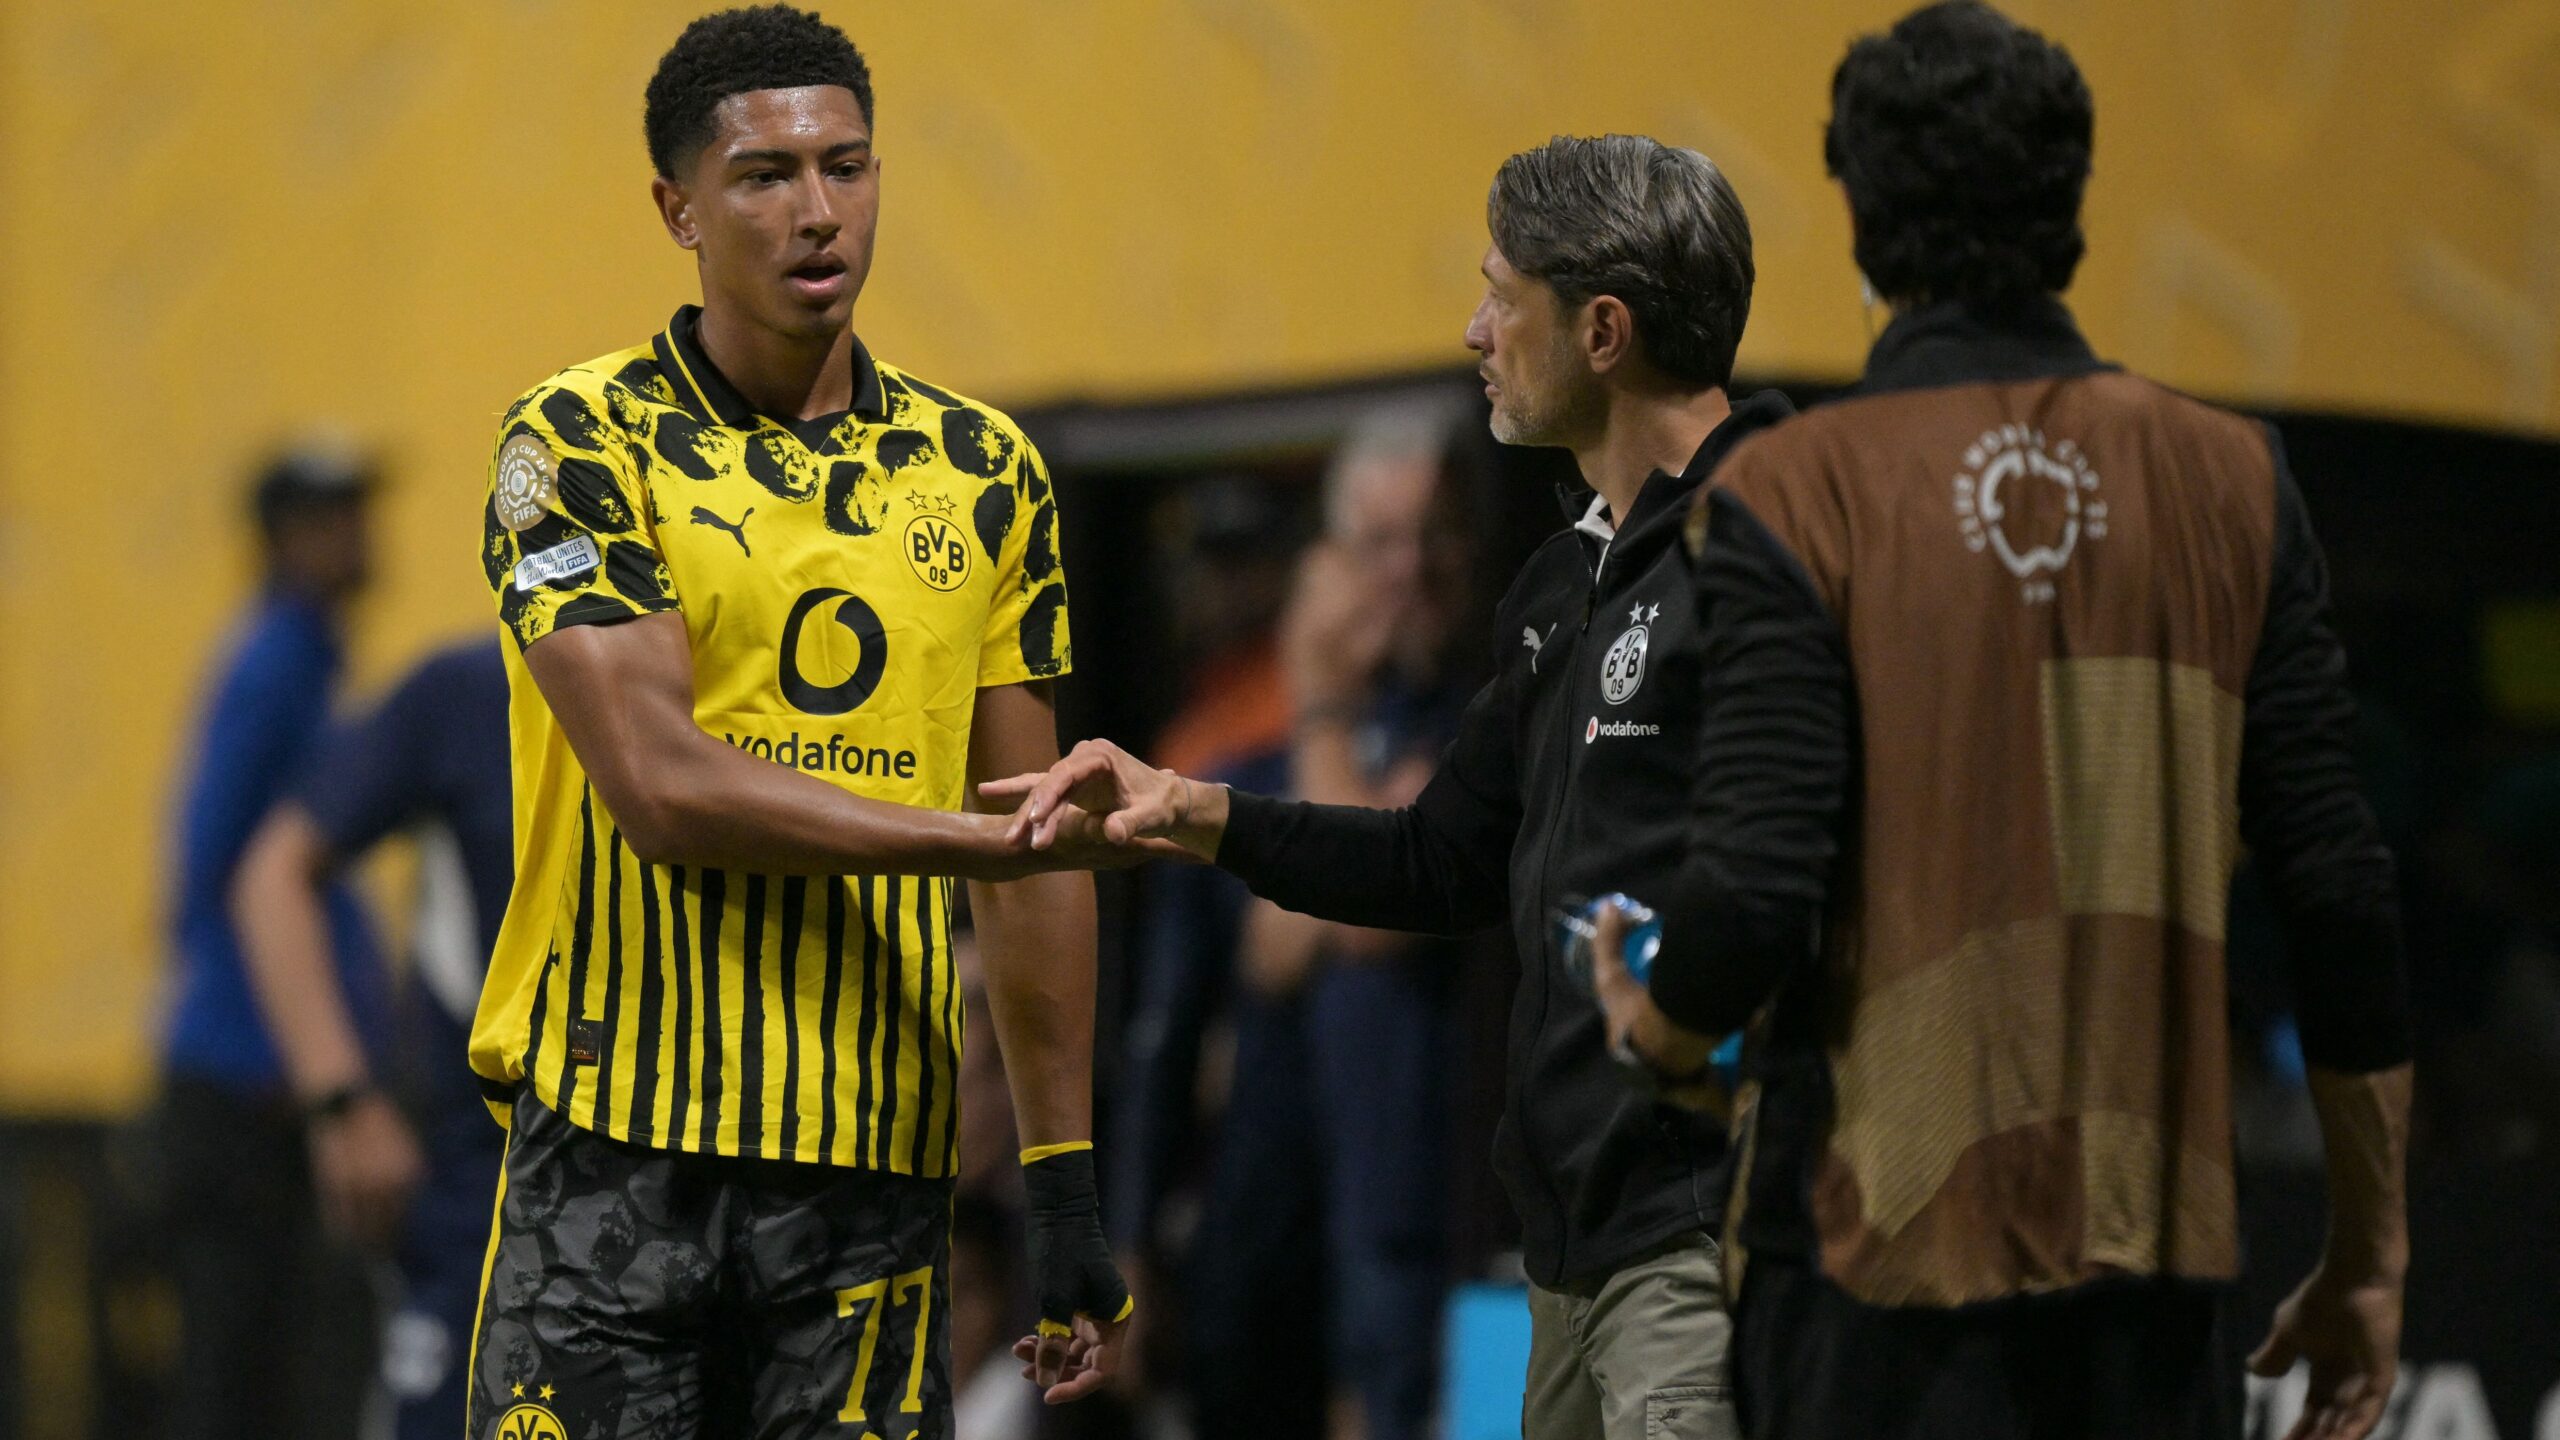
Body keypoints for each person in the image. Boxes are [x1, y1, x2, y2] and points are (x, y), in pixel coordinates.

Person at [1575, 7, 2414, 1439]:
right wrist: (2369, 1254)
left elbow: (1757, 887)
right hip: (2149, 1286)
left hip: (1870, 1285)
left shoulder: (1795, 492)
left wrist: (1658, 1029)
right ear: (2071, 209)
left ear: (1859, 221)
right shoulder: (2234, 480)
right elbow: (2335, 885)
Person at [991, 134, 1791, 1440]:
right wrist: (1191, 810)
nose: (1476, 331)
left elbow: (1791, 872)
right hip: (1570, 1253)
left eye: (1500, 295)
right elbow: (1436, 859)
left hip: (1710, 1230)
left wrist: (1674, 1034)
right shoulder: (1562, 582)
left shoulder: (1777, 532)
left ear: (1600, 331)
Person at [465, 8, 1128, 1435]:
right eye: (765, 176)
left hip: (872, 1176)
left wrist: (1063, 1189)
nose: (818, 211)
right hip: (614, 1150)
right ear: (679, 210)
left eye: (848, 165)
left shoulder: (984, 472)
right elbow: (661, 788)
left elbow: (1037, 857)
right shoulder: (575, 441)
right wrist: (965, 845)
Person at [153, 445, 384, 1440]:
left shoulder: (305, 660)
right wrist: (288, 1049)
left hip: (260, 1075)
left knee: (265, 1352)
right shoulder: (277, 665)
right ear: (288, 538)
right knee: (240, 1357)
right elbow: (213, 862)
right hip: (248, 1085)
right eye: (339, 518)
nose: (363, 536)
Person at [231, 637, 511, 1440]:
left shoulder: (747, 687)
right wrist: (340, 1098)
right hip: (485, 1200)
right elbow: (274, 872)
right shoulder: (472, 692)